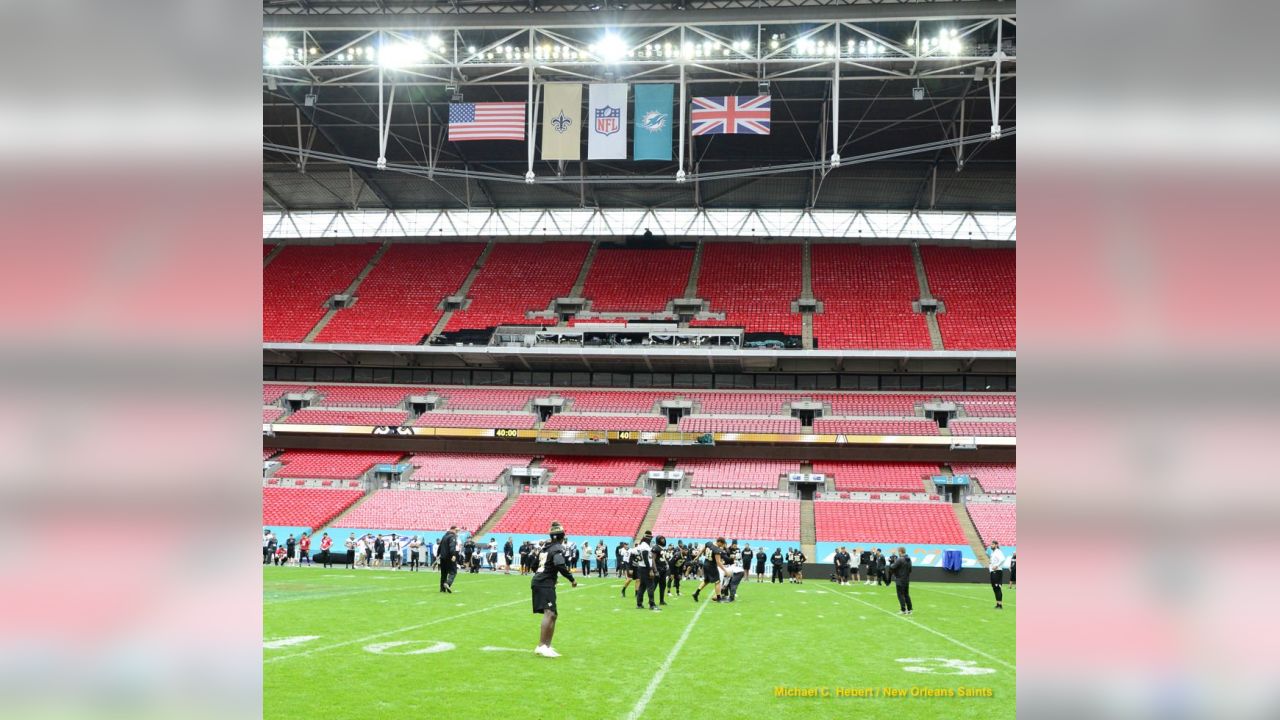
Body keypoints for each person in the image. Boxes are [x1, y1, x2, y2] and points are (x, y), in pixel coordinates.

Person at [531, 522, 577, 658]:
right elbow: (560, 564)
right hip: (544, 583)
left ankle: (547, 646)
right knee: (549, 613)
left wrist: (546, 574)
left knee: (553, 614)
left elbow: (534, 565)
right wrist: (572, 579)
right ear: (562, 536)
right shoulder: (557, 548)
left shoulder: (546, 547)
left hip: (542, 581)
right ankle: (541, 645)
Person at [693, 537, 727, 603]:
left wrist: (697, 557)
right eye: (722, 544)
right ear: (719, 542)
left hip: (705, 564)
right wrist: (725, 570)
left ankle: (696, 593)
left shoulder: (709, 543)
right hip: (712, 566)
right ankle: (719, 598)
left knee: (706, 580)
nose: (722, 546)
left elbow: (702, 550)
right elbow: (718, 562)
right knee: (717, 582)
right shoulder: (717, 550)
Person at [632, 531, 659, 611]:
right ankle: (652, 605)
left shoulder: (640, 546)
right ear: (647, 539)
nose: (651, 540)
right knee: (650, 586)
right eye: (650, 539)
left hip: (641, 567)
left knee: (642, 586)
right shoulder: (645, 547)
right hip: (645, 568)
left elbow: (633, 554)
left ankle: (639, 604)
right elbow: (646, 558)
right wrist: (650, 570)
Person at [887, 547, 913, 615]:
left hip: (900, 579)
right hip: (906, 579)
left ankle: (903, 609)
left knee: (900, 595)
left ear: (900, 551)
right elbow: (910, 570)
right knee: (906, 594)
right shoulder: (909, 559)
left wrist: (892, 563)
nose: (898, 553)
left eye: (898, 551)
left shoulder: (900, 559)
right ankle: (910, 609)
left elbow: (892, 567)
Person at [438, 525, 459, 593]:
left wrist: (438, 555)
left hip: (442, 557)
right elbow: (452, 546)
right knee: (453, 572)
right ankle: (448, 583)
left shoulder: (444, 536)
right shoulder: (452, 536)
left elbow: (440, 547)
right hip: (449, 557)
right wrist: (453, 555)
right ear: (452, 530)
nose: (457, 532)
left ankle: (442, 589)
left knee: (443, 573)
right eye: (456, 531)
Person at [988, 540, 1006, 610]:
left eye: (992, 544)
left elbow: (1003, 559)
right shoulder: (993, 553)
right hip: (993, 572)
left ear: (996, 545)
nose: (991, 545)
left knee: (997, 588)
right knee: (994, 588)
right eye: (991, 544)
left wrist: (997, 566)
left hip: (997, 571)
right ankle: (997, 604)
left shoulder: (998, 551)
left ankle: (1000, 605)